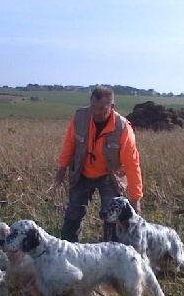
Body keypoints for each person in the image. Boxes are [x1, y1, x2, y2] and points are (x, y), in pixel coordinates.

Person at [53, 85, 143, 242]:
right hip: (82, 173)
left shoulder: (123, 128)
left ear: (112, 107)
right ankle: (68, 251)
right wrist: (62, 168)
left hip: (110, 177)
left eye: (101, 109)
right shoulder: (80, 117)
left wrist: (135, 199)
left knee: (112, 217)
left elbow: (132, 164)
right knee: (73, 214)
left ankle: (112, 256)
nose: (96, 113)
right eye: (93, 107)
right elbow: (69, 144)